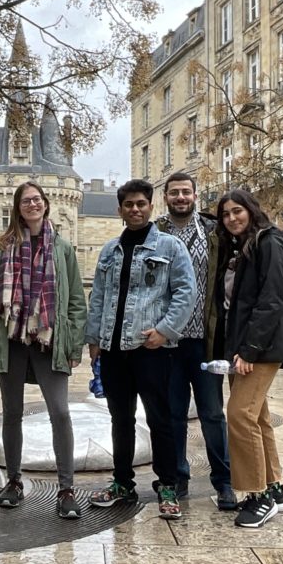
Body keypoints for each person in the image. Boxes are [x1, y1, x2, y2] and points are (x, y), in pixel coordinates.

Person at [85, 179, 196, 520]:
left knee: (160, 419)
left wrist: (164, 331)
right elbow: (100, 296)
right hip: (115, 349)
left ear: (151, 207)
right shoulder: (109, 250)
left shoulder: (170, 247)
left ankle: (167, 484)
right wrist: (94, 339)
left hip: (151, 348)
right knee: (121, 420)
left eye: (141, 204)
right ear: (120, 210)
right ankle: (122, 482)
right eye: (129, 204)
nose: (135, 209)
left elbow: (185, 292)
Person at [0, 181, 87, 520]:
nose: (32, 205)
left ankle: (66, 488)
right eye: (26, 200)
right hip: (12, 341)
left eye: (37, 199)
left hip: (49, 341)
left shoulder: (63, 248)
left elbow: (75, 301)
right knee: (11, 413)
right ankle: (14, 481)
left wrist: (73, 345)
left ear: (46, 203)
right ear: (17, 207)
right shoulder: (1, 248)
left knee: (60, 412)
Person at [214, 187, 283, 528]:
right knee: (258, 417)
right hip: (244, 346)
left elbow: (271, 299)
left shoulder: (271, 242)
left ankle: (257, 495)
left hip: (260, 347)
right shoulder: (245, 247)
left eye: (237, 211)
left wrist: (250, 349)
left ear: (251, 210)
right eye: (226, 214)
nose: (232, 218)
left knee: (238, 415)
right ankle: (275, 488)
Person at [156, 172, 235, 509]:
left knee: (212, 413)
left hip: (205, 340)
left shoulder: (213, 231)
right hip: (168, 342)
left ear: (195, 195)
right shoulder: (155, 232)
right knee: (172, 414)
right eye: (174, 193)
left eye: (186, 192)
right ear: (166, 197)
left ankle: (224, 482)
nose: (181, 198)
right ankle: (177, 479)